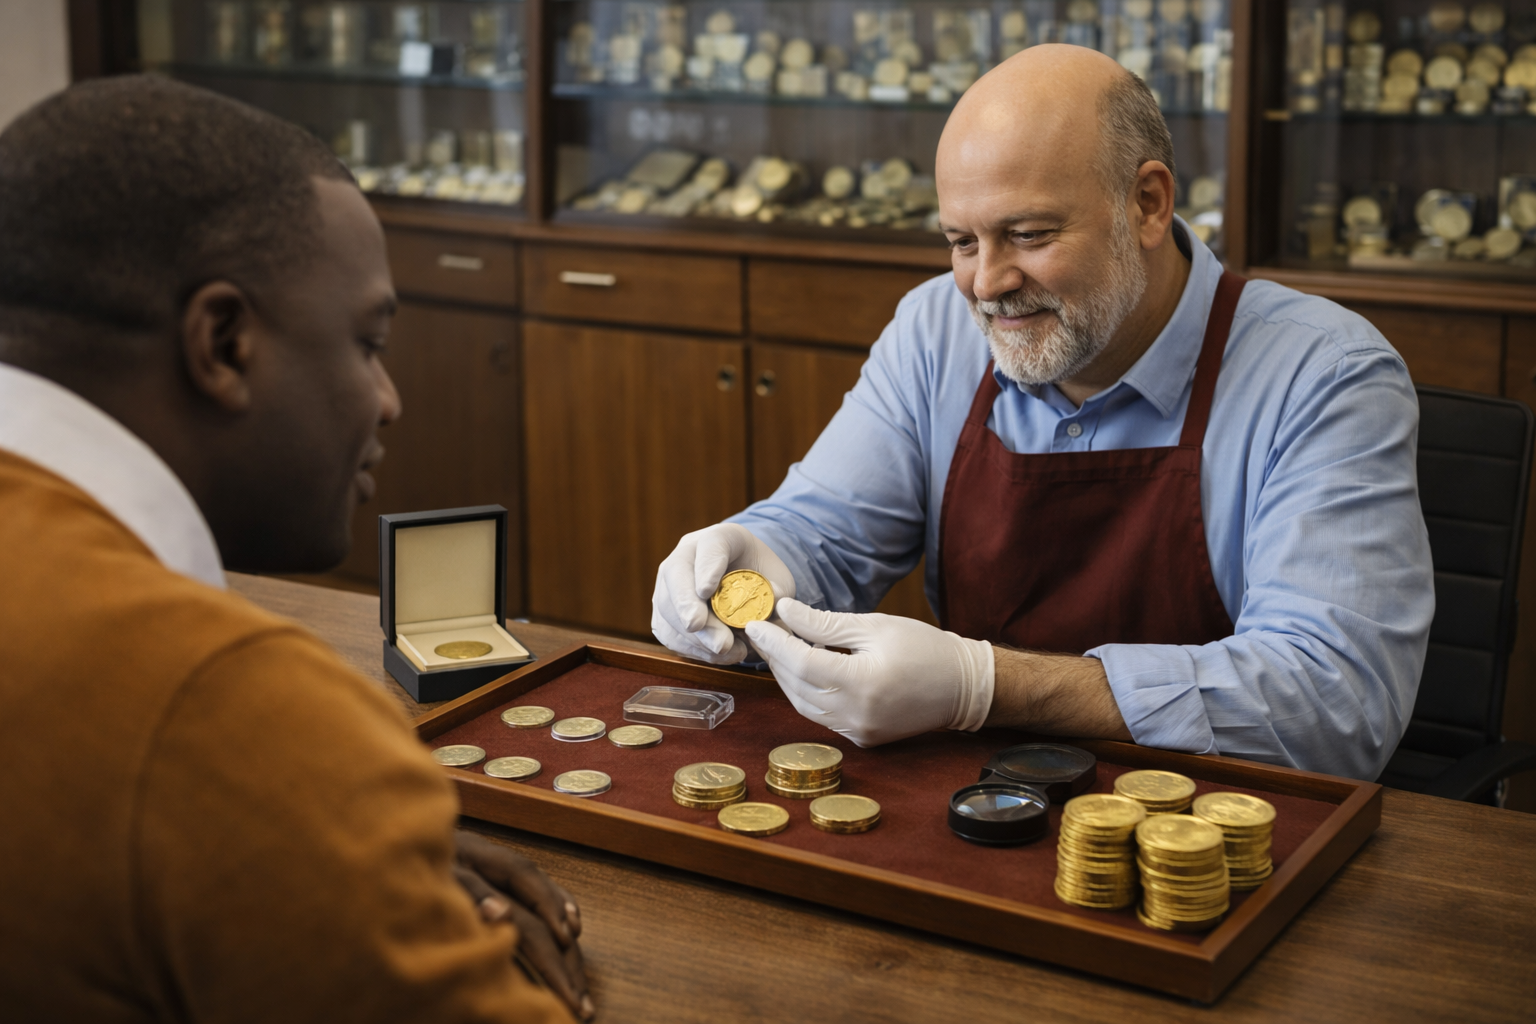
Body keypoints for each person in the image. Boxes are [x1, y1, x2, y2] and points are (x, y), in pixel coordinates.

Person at [652, 45, 1434, 782]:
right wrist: (758, 555)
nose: (986, 284)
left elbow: (1336, 703)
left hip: (1216, 822)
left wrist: (988, 686)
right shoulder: (935, 328)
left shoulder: (1323, 375)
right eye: (962, 242)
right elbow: (828, 527)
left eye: (1027, 235)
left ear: (1148, 204)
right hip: (983, 801)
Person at [0, 77, 590, 1022]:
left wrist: (329, 857)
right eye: (368, 342)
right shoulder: (231, 709)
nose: (388, 400)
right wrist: (315, 817)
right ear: (224, 343)